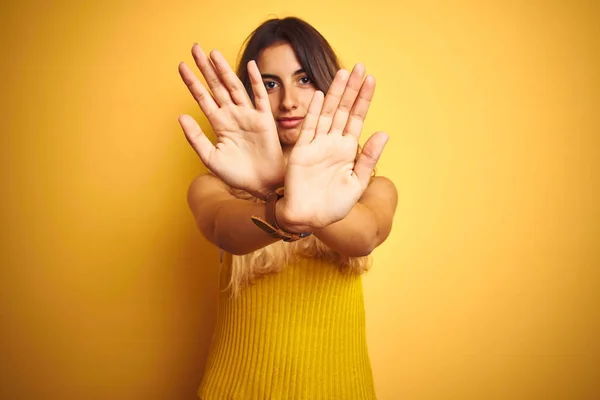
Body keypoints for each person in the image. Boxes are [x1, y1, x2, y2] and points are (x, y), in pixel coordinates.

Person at [178, 16, 398, 400]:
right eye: (269, 84)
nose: (289, 101)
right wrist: (276, 205)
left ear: (327, 87)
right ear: (248, 94)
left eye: (304, 79)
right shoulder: (214, 187)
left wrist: (303, 202)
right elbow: (220, 227)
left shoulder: (372, 188)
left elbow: (366, 236)